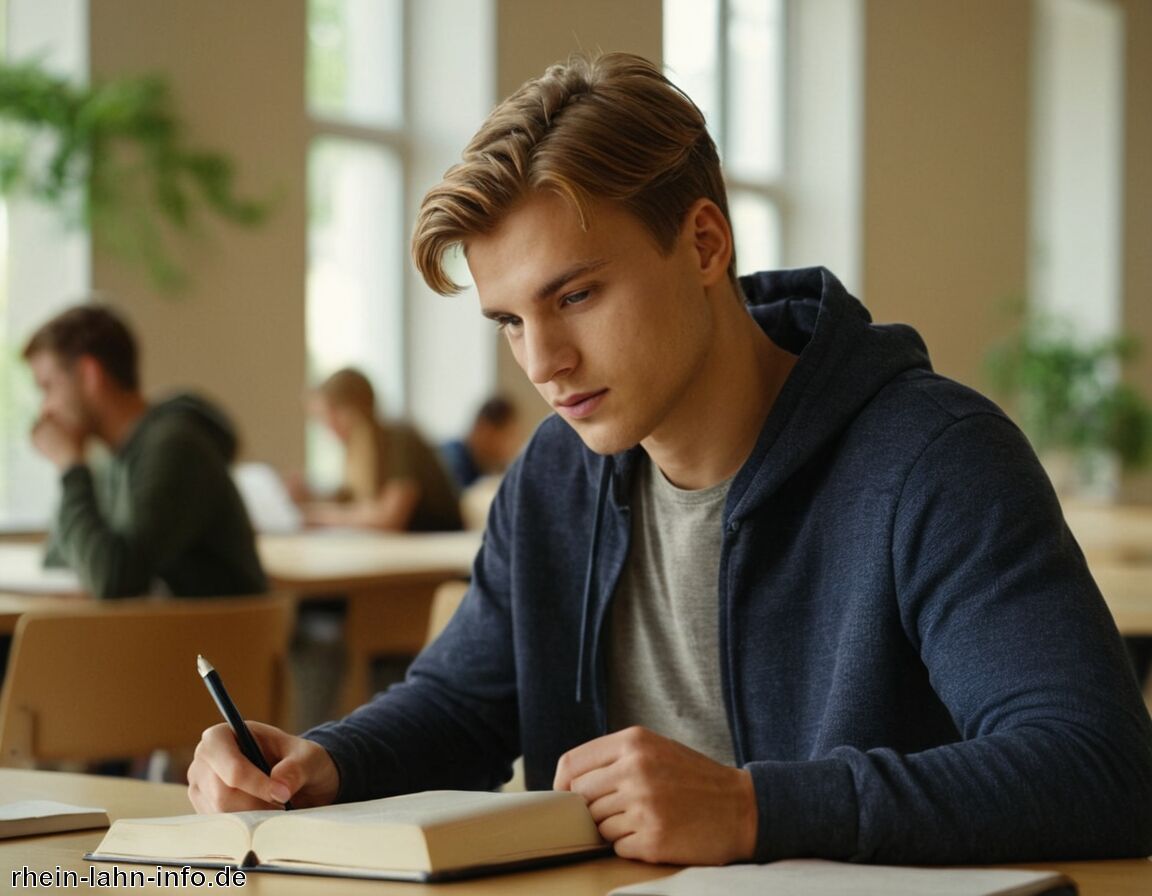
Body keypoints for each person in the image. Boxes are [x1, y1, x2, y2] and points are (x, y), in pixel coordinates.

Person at [188, 53, 1152, 866]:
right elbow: (465, 702)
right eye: (510, 322)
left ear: (702, 243)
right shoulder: (555, 475)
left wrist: (751, 809)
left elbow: (1098, 767)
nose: (543, 364)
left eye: (575, 297)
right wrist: (321, 761)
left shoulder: (932, 459)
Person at [23, 303, 266, 599]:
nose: (45, 410)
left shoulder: (174, 448)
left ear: (89, 375)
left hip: (211, 644)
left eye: (48, 387)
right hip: (168, 635)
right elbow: (59, 554)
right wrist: (76, 467)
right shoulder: (113, 458)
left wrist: (70, 466)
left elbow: (114, 579)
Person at [298, 367, 462, 532]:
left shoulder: (400, 439)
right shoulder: (360, 452)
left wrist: (324, 517)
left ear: (350, 410)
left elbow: (389, 517)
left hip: (439, 546)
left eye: (329, 414)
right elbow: (352, 502)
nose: (328, 426)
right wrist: (309, 497)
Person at [440, 395, 525, 490]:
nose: (513, 447)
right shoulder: (451, 461)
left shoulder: (480, 466)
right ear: (486, 431)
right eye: (509, 436)